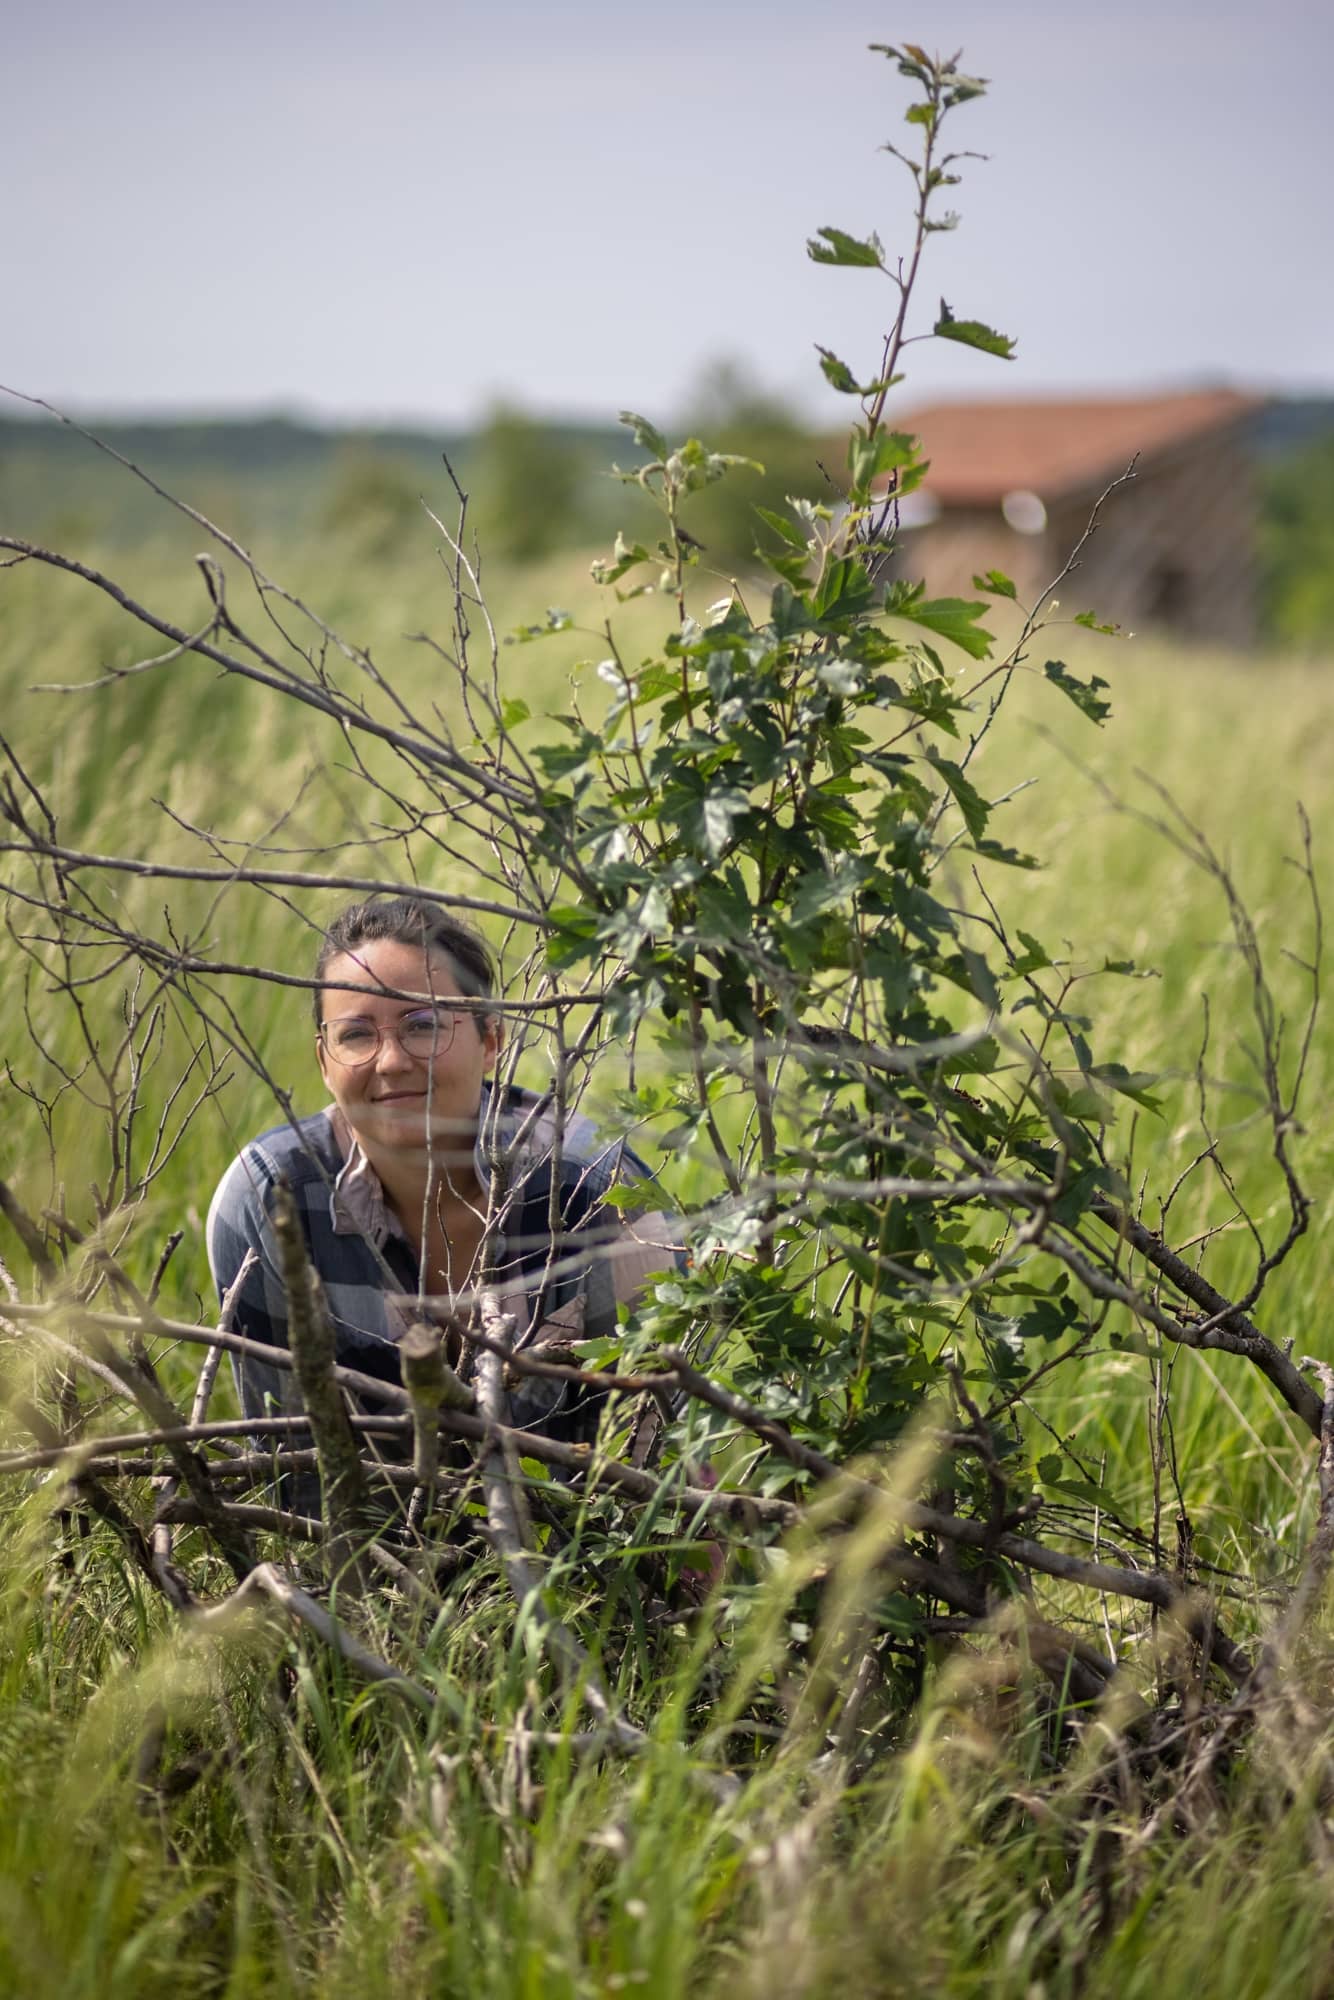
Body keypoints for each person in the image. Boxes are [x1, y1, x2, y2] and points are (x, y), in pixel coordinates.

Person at [205, 896, 674, 1480]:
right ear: (324, 1061)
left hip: (577, 1529)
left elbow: (653, 1470)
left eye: (423, 1025)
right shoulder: (266, 1201)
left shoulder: (601, 1193)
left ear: (491, 1040)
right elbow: (292, 1469)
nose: (390, 1061)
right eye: (356, 1034)